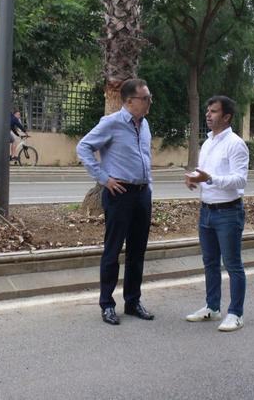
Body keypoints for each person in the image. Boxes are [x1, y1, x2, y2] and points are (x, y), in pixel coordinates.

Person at [76, 78, 154, 325]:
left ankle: (132, 302)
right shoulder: (111, 123)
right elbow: (83, 147)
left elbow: (144, 157)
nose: (149, 102)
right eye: (146, 98)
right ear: (130, 101)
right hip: (119, 193)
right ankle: (107, 304)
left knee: (137, 252)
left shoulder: (144, 124)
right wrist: (103, 178)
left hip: (142, 194)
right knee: (112, 250)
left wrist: (148, 185)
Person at [184, 95, 249, 332]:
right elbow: (205, 173)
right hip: (207, 212)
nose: (208, 115)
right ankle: (212, 307)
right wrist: (194, 179)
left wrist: (209, 178)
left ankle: (236, 313)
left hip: (228, 213)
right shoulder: (208, 142)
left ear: (227, 116)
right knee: (210, 262)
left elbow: (240, 179)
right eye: (208, 111)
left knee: (233, 265)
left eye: (213, 111)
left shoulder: (235, 143)